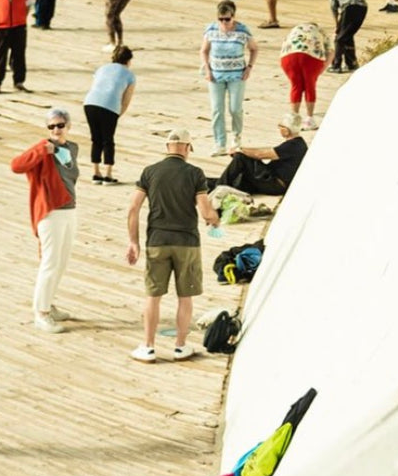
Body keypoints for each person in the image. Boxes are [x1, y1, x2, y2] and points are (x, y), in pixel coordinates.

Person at [126, 130, 218, 363]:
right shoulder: (195, 173)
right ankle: (180, 347)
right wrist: (214, 219)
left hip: (157, 241)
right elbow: (205, 211)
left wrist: (134, 242)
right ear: (187, 148)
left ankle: (148, 347)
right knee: (185, 297)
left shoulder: (150, 172)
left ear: (167, 146)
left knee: (153, 296)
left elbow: (133, 207)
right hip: (187, 243)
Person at [10, 107, 80, 332]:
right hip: (50, 212)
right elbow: (16, 165)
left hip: (69, 209)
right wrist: (42, 151)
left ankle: (48, 304)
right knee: (50, 262)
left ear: (68, 126)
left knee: (62, 261)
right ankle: (41, 314)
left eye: (60, 125)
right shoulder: (43, 147)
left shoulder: (72, 148)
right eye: (51, 126)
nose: (56, 129)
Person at [200, 0, 257, 156]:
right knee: (217, 110)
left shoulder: (242, 31)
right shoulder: (211, 30)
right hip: (216, 75)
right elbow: (204, 50)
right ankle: (220, 143)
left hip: (237, 75)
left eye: (227, 19)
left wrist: (249, 67)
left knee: (235, 109)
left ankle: (236, 138)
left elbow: (254, 49)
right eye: (221, 19)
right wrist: (207, 68)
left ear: (233, 17)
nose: (224, 22)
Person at [209, 118, 308, 198]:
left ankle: (218, 188)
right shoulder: (297, 143)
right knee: (235, 182)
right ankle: (209, 185)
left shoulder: (293, 145)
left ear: (286, 131)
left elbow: (261, 154)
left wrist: (240, 150)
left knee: (240, 157)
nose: (279, 128)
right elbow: (264, 151)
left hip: (275, 184)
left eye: (280, 126)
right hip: (271, 179)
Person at [83, 46, 136, 184]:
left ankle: (96, 173)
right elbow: (126, 100)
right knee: (108, 140)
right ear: (128, 60)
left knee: (96, 138)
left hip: (90, 103)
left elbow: (97, 86)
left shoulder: (102, 68)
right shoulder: (130, 75)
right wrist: (117, 114)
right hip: (110, 105)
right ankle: (108, 174)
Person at [279, 22, 329, 129]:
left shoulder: (295, 29)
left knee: (296, 86)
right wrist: (322, 68)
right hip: (310, 56)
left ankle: (293, 119)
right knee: (310, 86)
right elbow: (331, 51)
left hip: (288, 57)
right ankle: (309, 119)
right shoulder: (321, 32)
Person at [327, 0, 368, 72]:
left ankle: (336, 65)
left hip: (349, 8)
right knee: (348, 35)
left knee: (339, 38)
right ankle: (351, 63)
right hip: (362, 7)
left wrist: (336, 24)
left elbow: (333, 6)